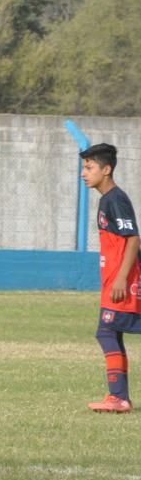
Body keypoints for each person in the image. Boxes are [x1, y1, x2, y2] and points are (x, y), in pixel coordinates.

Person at [82, 143, 138, 414]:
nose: (84, 173)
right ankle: (119, 398)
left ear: (107, 170)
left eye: (89, 167)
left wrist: (121, 279)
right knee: (109, 332)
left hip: (122, 283)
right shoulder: (106, 200)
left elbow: (133, 238)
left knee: (106, 332)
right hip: (115, 281)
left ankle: (119, 397)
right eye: (83, 167)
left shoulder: (115, 199)